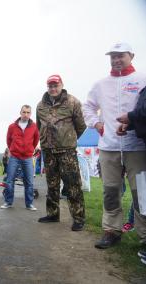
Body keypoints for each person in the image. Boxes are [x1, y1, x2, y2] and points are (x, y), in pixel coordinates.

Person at [84, 43, 146, 251]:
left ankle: (144, 236)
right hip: (109, 146)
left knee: (142, 194)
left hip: (136, 146)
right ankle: (111, 231)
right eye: (113, 56)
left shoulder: (142, 79)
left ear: (132, 56)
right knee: (111, 192)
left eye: (121, 56)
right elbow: (88, 106)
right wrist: (97, 124)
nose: (117, 60)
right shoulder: (101, 84)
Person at [36, 74, 86, 231]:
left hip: (67, 151)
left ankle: (78, 218)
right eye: (50, 86)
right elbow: (39, 126)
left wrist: (68, 139)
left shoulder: (72, 101)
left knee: (73, 184)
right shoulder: (40, 105)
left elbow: (81, 126)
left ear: (61, 85)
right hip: (48, 150)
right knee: (52, 184)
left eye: (55, 85)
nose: (53, 88)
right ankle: (52, 214)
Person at [0, 105, 39, 211]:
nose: (26, 114)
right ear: (20, 112)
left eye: (28, 112)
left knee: (29, 181)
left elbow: (36, 140)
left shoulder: (34, 126)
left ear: (30, 114)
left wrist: (30, 149)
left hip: (27, 158)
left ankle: (29, 204)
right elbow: (8, 140)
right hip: (14, 157)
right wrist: (13, 149)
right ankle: (8, 202)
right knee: (9, 180)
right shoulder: (12, 126)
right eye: (24, 112)